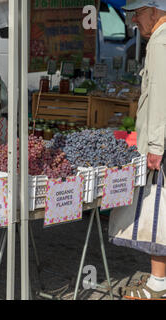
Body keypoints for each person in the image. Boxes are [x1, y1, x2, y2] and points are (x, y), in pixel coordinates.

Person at [117, 1, 166, 300]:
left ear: (153, 10)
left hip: (163, 143)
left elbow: (161, 97)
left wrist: (156, 145)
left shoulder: (161, 42)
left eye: (136, 13)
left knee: (159, 210)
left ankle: (158, 283)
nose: (134, 21)